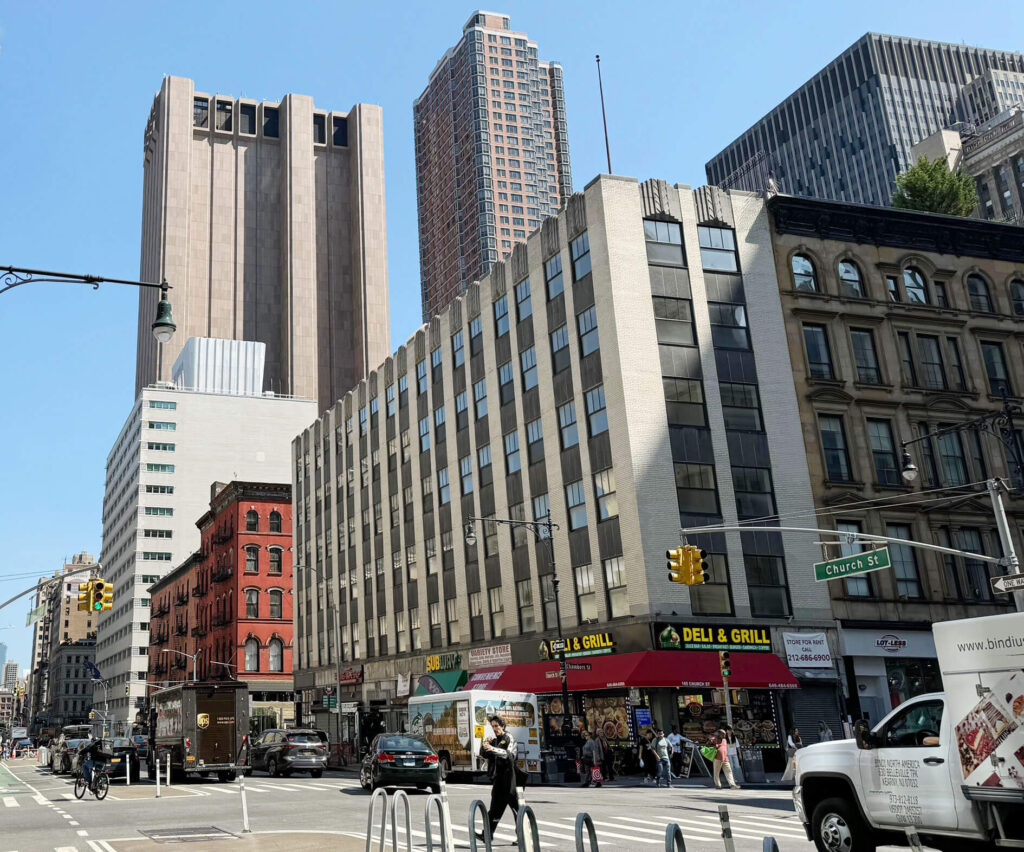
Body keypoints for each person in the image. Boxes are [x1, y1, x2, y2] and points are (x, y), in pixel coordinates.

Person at [480, 716, 519, 840]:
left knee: (517, 808)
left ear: (503, 726)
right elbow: (484, 754)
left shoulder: (509, 738)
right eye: (493, 726)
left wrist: (493, 749)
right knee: (495, 808)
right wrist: (485, 744)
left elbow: (509, 755)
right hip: (498, 779)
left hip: (510, 777)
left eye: (497, 726)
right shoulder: (495, 740)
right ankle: (487, 834)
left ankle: (523, 835)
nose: (495, 729)